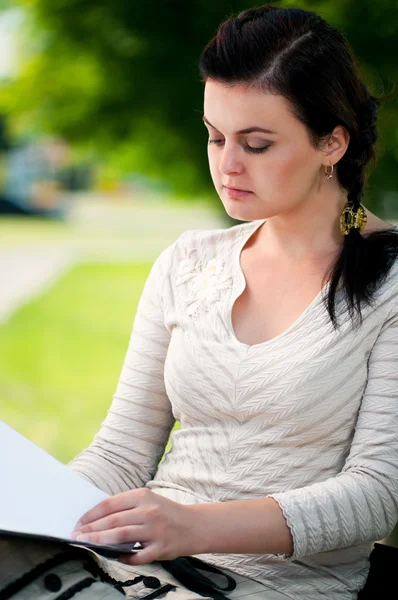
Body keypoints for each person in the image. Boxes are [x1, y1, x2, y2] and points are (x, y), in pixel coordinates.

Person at [1, 4, 398, 600]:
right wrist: (50, 515)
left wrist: (191, 527)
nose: (226, 165)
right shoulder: (189, 263)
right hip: (130, 566)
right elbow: (121, 452)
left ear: (332, 143)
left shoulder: (390, 280)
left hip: (271, 586)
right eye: (215, 137)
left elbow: (376, 494)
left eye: (257, 144)